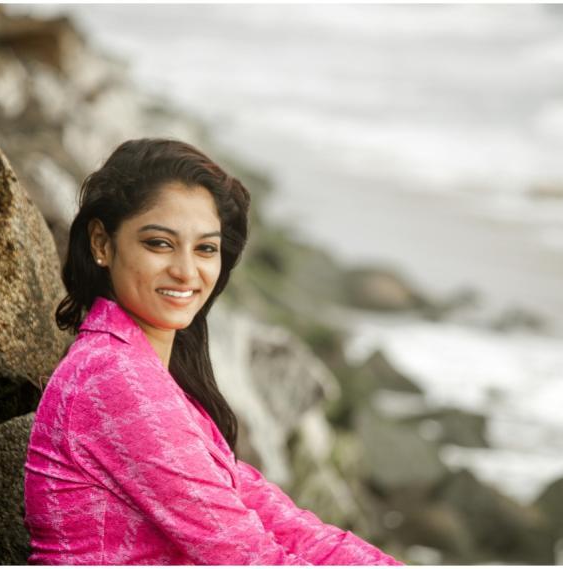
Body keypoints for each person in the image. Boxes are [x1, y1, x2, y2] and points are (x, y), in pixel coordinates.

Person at [23, 138, 403, 565]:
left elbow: (283, 523)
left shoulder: (155, 381)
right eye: (159, 243)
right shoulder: (113, 380)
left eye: (205, 248)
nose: (186, 271)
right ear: (102, 244)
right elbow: (249, 558)